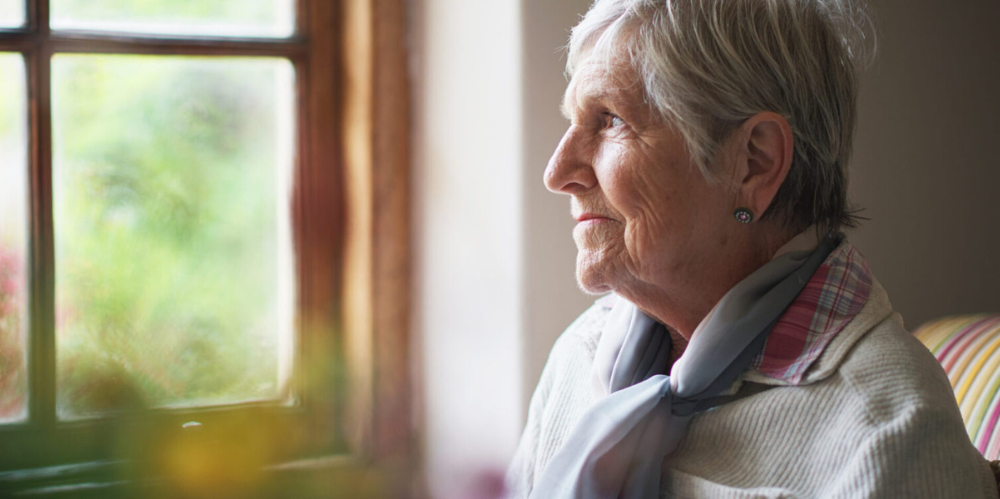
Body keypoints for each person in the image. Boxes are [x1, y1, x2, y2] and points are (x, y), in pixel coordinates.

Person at [505, 0, 999, 497]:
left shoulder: (887, 435)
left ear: (754, 162)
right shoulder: (579, 355)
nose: (557, 172)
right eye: (574, 121)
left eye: (610, 119)